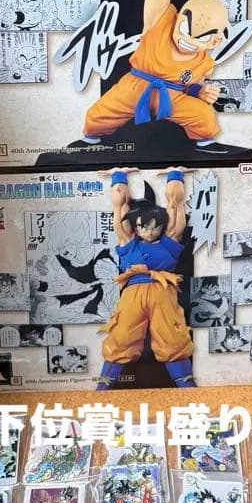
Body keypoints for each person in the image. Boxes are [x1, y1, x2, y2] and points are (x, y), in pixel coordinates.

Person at [76, 0, 232, 155]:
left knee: (203, 115)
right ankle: (90, 139)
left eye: (201, 37)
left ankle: (205, 143)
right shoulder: (160, 26)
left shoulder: (204, 63)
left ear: (215, 42)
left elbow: (192, 86)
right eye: (184, 29)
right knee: (98, 113)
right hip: (134, 87)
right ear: (178, 18)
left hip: (173, 96)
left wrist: (200, 93)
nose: (187, 40)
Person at [96, 167, 195, 390]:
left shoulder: (168, 243)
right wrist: (119, 176)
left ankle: (187, 387)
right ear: (136, 227)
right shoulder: (129, 244)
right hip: (133, 294)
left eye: (154, 227)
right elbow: (119, 208)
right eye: (143, 227)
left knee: (172, 337)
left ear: (161, 226)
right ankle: (103, 388)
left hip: (163, 292)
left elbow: (175, 206)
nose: (149, 232)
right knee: (121, 336)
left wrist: (175, 175)